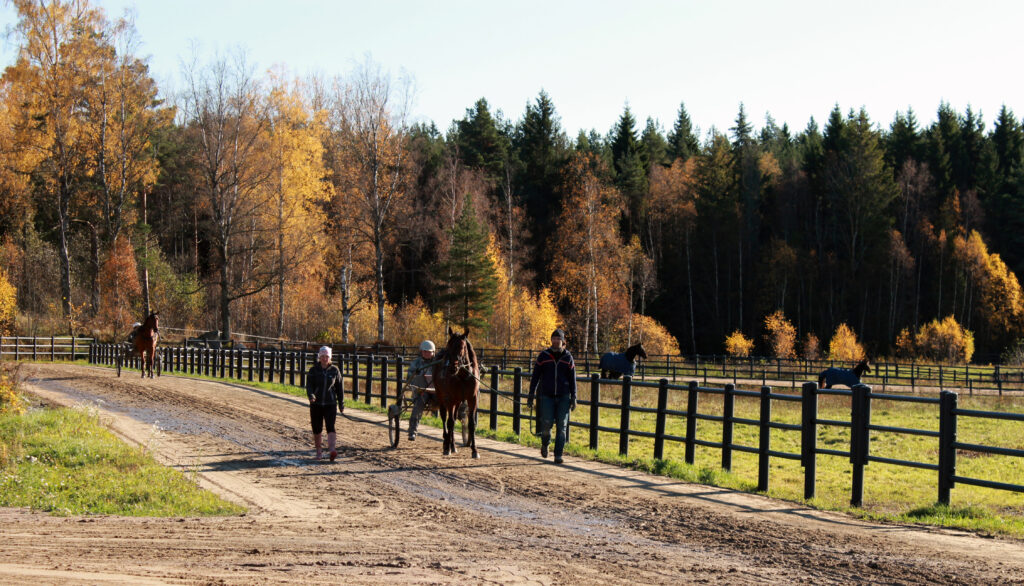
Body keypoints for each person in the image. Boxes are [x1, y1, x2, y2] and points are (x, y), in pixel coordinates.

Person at [527, 329, 577, 464]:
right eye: (554, 339)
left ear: (563, 341)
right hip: (547, 395)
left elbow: (573, 379)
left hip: (563, 396)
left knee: (562, 426)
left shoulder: (568, 357)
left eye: (558, 339)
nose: (556, 341)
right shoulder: (543, 356)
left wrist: (574, 396)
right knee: (546, 424)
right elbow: (535, 376)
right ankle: (545, 443)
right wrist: (531, 394)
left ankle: (558, 454)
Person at [306, 345, 342, 461]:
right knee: (317, 428)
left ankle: (332, 450)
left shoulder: (335, 370)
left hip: (330, 403)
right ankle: (319, 452)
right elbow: (309, 385)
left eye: (327, 356)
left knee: (330, 426)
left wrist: (341, 402)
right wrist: (311, 395)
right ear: (319, 357)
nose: (324, 358)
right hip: (316, 404)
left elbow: (339, 388)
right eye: (322, 356)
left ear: (330, 357)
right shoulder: (313, 370)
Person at [406, 340, 437, 441]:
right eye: (424, 351)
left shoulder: (438, 362)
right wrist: (417, 376)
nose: (426, 353)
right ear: (421, 352)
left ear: (433, 352)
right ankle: (412, 431)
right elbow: (410, 377)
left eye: (429, 352)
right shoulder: (416, 363)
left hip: (436, 391)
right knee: (419, 404)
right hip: (422, 391)